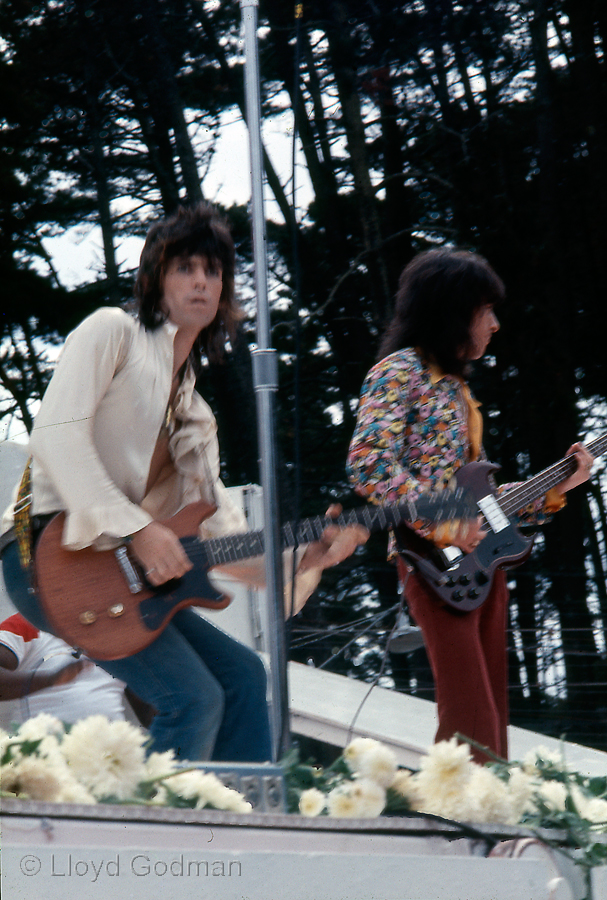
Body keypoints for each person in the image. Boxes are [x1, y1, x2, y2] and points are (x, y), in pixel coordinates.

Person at [0, 202, 366, 762]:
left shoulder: (194, 413)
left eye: (213, 272)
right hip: (42, 551)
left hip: (114, 571)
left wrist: (305, 556)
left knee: (243, 676)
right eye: (185, 268)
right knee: (191, 699)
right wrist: (140, 530)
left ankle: (235, 836)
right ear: (154, 279)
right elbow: (55, 437)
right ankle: (163, 841)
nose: (201, 281)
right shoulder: (111, 331)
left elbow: (220, 544)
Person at [346, 248, 593, 762]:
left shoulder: (458, 392)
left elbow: (481, 507)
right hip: (428, 561)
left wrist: (559, 486)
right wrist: (440, 520)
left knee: (491, 716)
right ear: (454, 312)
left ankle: (489, 820)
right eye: (486, 311)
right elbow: (368, 462)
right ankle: (457, 827)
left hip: (480, 566)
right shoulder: (398, 373)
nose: (496, 324)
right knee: (470, 715)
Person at [0, 612, 132, 730]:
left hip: (110, 751)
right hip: (43, 751)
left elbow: (149, 701)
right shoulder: (27, 620)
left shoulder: (123, 631)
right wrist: (50, 680)